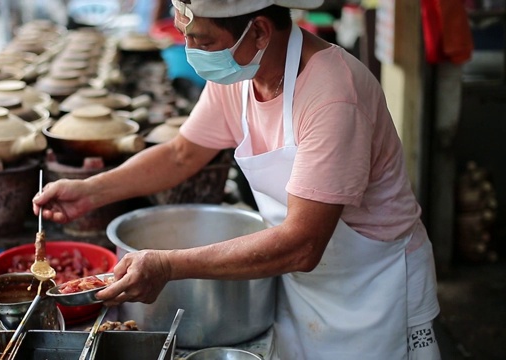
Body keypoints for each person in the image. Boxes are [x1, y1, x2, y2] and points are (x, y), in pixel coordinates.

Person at [33, 0, 441, 358]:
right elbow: (181, 154)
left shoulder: (333, 96)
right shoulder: (242, 76)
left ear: (259, 30)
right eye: (186, 36)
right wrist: (90, 191)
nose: (191, 52)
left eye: (205, 41)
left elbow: (303, 244)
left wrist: (168, 265)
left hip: (374, 289)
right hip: (304, 284)